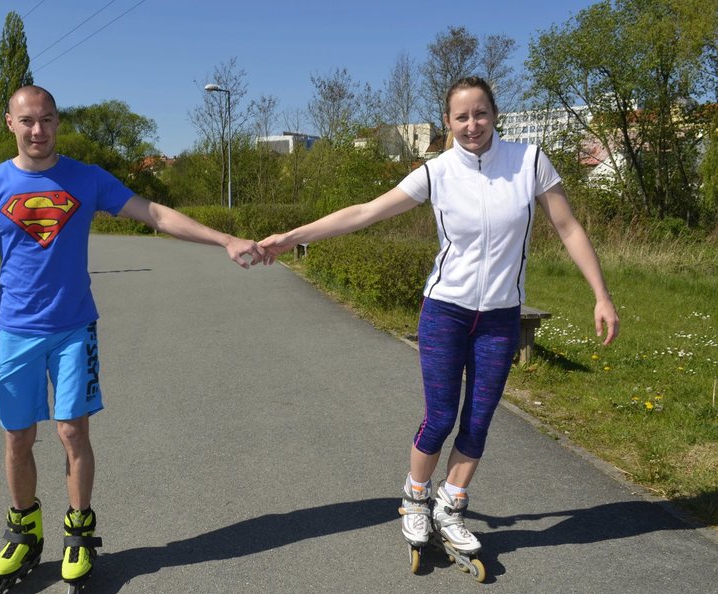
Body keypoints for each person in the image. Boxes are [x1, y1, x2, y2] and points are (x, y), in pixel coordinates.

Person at [259, 76, 619, 560]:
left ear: (496, 114)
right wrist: (292, 236)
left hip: (499, 317)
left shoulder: (530, 163)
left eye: (481, 113)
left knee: (479, 419)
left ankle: (451, 506)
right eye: (462, 116)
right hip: (445, 312)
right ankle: (415, 497)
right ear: (448, 123)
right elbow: (365, 212)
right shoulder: (438, 171)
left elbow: (568, 226)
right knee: (441, 416)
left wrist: (601, 294)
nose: (473, 124)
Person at [0, 85, 264, 594]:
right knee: (18, 437)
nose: (37, 130)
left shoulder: (86, 179)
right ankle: (24, 529)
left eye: (46, 119)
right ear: (10, 124)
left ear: (57, 122)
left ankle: (79, 531)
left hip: (73, 329)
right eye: (27, 121)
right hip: (16, 334)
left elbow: (155, 213)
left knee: (71, 433)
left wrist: (225, 239)